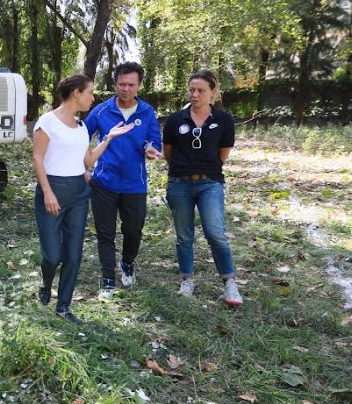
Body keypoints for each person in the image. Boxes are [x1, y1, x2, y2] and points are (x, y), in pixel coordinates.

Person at [32, 74, 134, 323]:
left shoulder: (81, 126)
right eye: (90, 93)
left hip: (78, 193)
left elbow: (88, 161)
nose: (93, 97)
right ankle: (46, 284)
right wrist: (47, 192)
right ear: (76, 93)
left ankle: (63, 306)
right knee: (52, 256)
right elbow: (37, 159)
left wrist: (109, 138)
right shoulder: (47, 123)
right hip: (53, 190)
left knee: (74, 255)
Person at [162, 69, 243, 306]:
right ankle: (187, 280)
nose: (195, 95)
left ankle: (229, 283)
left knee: (215, 232)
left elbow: (222, 155)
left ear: (213, 93)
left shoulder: (224, 120)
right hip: (179, 184)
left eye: (201, 90)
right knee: (184, 235)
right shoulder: (176, 120)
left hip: (210, 183)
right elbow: (169, 152)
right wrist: (183, 170)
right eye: (192, 90)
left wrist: (202, 168)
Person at [84, 62, 162, 296]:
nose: (126, 89)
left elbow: (154, 140)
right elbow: (79, 138)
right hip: (103, 183)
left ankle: (127, 263)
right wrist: (84, 170)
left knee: (133, 232)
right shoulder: (101, 111)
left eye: (131, 85)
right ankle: (108, 278)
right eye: (121, 84)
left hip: (134, 185)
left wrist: (151, 149)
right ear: (115, 83)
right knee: (105, 234)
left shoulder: (147, 112)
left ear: (139, 86)